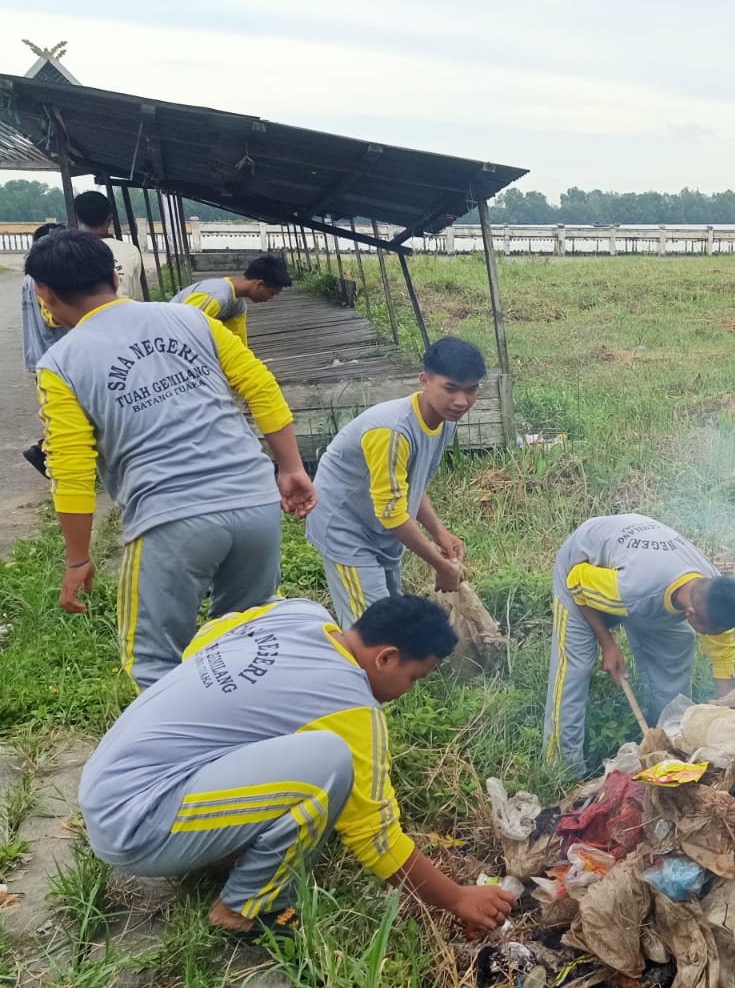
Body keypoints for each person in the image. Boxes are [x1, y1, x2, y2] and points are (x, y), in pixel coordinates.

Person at [78, 595, 516, 940]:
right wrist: (457, 897)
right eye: (414, 678)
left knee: (301, 756)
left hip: (105, 781)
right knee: (327, 764)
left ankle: (225, 843)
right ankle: (243, 910)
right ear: (385, 657)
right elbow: (377, 838)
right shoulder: (353, 709)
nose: (409, 691)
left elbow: (204, 640)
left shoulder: (297, 616)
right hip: (134, 826)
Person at [27, 229, 316, 689]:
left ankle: (180, 754)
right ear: (114, 277)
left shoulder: (61, 362)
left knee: (155, 663)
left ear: (44, 292)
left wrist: (78, 558)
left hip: (172, 520)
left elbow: (71, 466)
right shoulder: (190, 319)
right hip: (255, 502)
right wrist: (292, 468)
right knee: (247, 638)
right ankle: (249, 739)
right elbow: (260, 387)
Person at [545, 513, 735, 768]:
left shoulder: (714, 590)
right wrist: (607, 644)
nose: (713, 636)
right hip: (582, 568)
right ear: (690, 614)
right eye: (709, 631)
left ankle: (672, 749)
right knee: (576, 668)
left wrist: (725, 719)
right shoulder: (634, 590)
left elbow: (722, 656)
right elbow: (576, 582)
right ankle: (563, 767)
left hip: (637, 580)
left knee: (676, 655)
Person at [303, 338, 483, 627]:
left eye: (471, 390)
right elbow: (392, 514)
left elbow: (412, 483)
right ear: (425, 381)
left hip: (379, 526)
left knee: (390, 611)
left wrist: (439, 533)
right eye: (450, 389)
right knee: (371, 630)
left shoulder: (445, 420)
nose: (462, 401)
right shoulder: (391, 431)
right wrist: (440, 566)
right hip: (345, 526)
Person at [20, 222, 67, 477]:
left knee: (53, 411)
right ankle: (46, 455)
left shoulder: (29, 275)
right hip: (54, 350)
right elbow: (52, 318)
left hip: (39, 352)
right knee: (62, 415)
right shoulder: (43, 277)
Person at [176, 254, 292, 345]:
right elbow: (180, 331)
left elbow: (237, 342)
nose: (269, 299)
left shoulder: (238, 304)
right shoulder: (214, 296)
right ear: (259, 284)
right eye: (271, 293)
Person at [72, 191, 146, 301]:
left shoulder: (68, 252)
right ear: (110, 218)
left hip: (84, 317)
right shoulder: (130, 251)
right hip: (123, 314)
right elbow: (133, 295)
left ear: (77, 218)